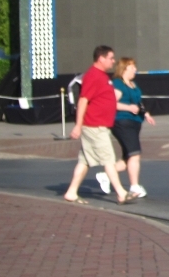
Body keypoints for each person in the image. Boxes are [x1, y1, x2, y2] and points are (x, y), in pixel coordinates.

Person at [63, 46, 138, 205]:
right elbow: (83, 100)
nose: (113, 61)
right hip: (94, 126)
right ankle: (121, 193)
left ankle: (71, 191)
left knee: (85, 161)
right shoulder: (93, 76)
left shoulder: (102, 76)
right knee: (109, 159)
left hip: (98, 125)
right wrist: (78, 125)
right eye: (111, 58)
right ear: (101, 58)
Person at [96, 57, 156, 199]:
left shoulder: (133, 85)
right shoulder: (118, 84)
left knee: (128, 157)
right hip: (122, 122)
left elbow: (138, 102)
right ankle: (134, 186)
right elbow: (111, 104)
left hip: (135, 122)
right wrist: (128, 107)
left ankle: (105, 175)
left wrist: (146, 113)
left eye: (135, 67)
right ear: (124, 69)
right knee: (135, 154)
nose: (135, 70)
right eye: (132, 67)